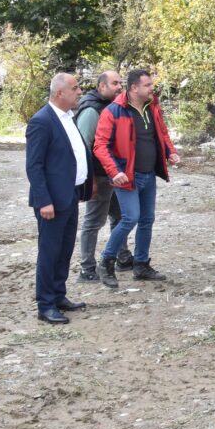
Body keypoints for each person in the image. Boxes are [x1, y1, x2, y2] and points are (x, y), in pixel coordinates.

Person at [94, 69, 180, 283]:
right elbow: (100, 146)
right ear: (134, 88)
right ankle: (106, 263)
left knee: (147, 220)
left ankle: (141, 266)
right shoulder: (113, 111)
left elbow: (162, 133)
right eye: (148, 85)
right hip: (127, 176)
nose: (152, 88)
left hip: (149, 174)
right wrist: (115, 172)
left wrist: (170, 152)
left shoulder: (153, 106)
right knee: (130, 218)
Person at [26, 73, 90, 324]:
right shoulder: (42, 121)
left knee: (64, 250)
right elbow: (34, 166)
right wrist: (44, 201)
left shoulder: (68, 118)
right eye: (75, 88)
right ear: (59, 93)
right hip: (51, 201)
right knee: (49, 252)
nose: (79, 91)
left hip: (70, 195)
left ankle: (58, 294)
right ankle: (45, 304)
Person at [75, 71, 134, 288]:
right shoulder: (92, 111)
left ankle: (123, 258)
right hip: (99, 176)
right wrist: (88, 181)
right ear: (101, 87)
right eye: (115, 83)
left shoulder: (111, 107)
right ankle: (87, 268)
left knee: (120, 216)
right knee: (93, 222)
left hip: (114, 174)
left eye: (121, 83)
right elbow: (83, 148)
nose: (120, 87)